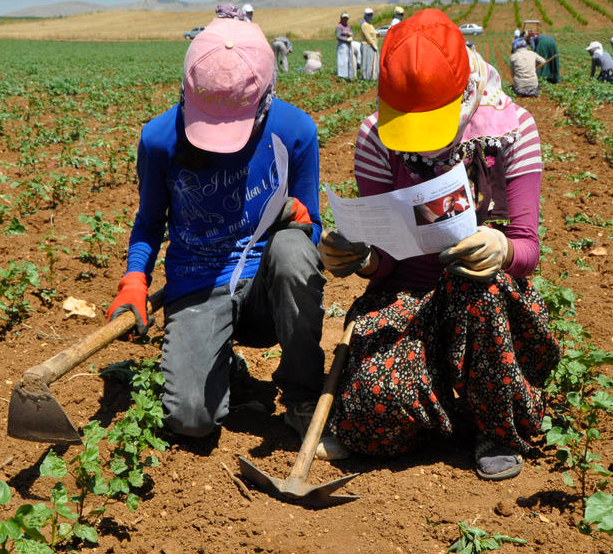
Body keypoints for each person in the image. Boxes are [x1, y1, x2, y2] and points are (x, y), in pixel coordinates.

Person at [318, 8, 560, 480]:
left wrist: (502, 249)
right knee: (369, 415)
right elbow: (387, 262)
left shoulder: (513, 131)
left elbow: (528, 249)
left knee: (478, 284)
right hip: (405, 299)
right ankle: (452, 409)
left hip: (488, 311)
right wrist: (363, 259)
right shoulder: (375, 137)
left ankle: (494, 426)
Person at [107, 13, 348, 461]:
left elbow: (311, 225)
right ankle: (221, 366)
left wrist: (301, 219)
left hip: (265, 293)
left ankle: (300, 394)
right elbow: (148, 222)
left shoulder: (294, 132)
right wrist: (135, 278)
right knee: (191, 421)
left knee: (295, 251)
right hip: (198, 283)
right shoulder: (160, 139)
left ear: (264, 99)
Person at [360, 8, 379, 80]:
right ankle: (367, 77)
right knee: (367, 62)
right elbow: (367, 36)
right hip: (367, 45)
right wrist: (372, 44)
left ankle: (373, 76)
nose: (370, 16)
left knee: (373, 61)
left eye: (371, 15)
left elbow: (373, 32)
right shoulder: (364, 24)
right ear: (365, 15)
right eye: (369, 15)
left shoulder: (370, 24)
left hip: (372, 46)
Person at [336, 12, 356, 79]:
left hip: (348, 45)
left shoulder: (348, 26)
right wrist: (346, 39)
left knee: (348, 60)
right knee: (342, 60)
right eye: (344, 18)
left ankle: (347, 75)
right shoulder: (339, 26)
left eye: (346, 18)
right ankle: (342, 76)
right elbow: (338, 36)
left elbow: (352, 33)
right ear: (341, 18)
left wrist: (351, 35)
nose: (345, 19)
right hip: (342, 45)